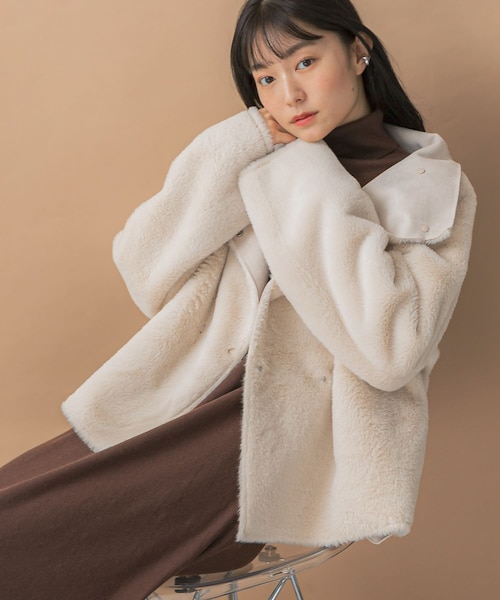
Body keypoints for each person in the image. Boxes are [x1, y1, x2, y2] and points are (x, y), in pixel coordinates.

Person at [0, 0, 476, 598]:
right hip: (178, 404)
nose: (290, 95)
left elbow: (390, 352)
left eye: (305, 62)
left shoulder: (430, 190)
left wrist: (311, 172)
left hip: (267, 450)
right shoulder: (260, 158)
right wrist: (234, 145)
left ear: (358, 52)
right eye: (266, 79)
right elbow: (146, 270)